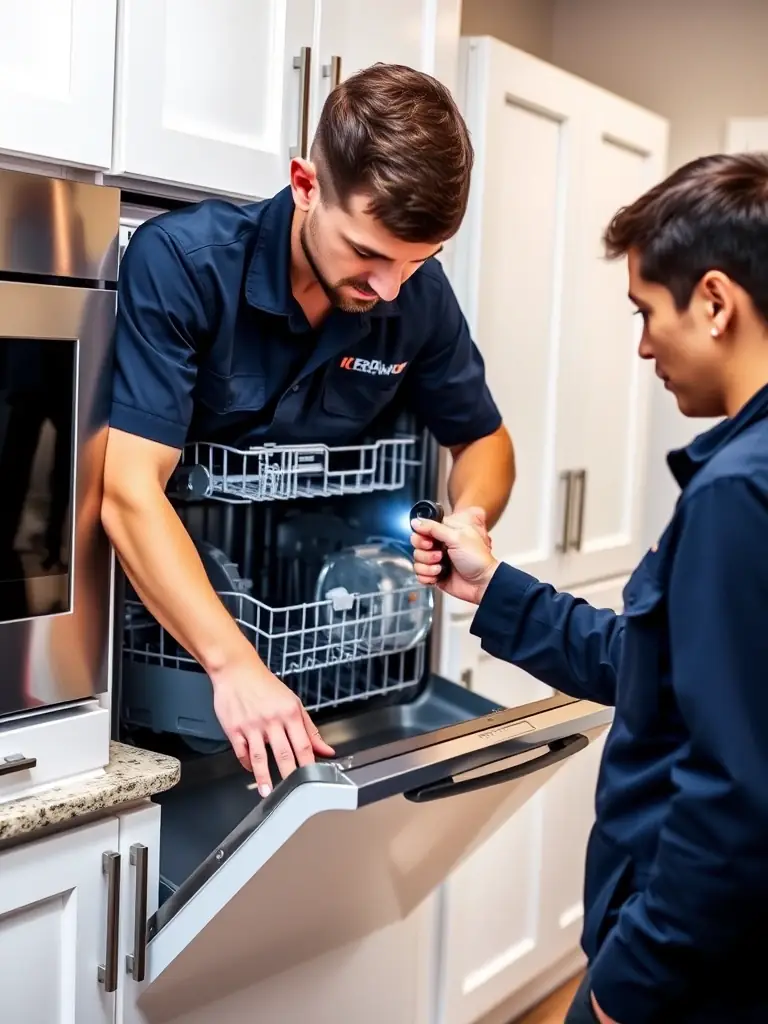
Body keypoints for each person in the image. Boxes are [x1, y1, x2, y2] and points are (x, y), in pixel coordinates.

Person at [411, 152, 768, 1024]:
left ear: (715, 302)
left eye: (649, 311)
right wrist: (494, 588)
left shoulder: (738, 494)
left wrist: (624, 984)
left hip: (690, 978)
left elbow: (736, 791)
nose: (645, 345)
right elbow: (651, 663)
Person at [102, 63, 515, 795]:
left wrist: (471, 518)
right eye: (368, 253)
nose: (390, 288)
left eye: (419, 261)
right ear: (305, 185)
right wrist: (233, 666)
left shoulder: (418, 297)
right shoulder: (184, 265)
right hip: (167, 645)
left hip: (320, 656)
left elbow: (483, 439)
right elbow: (130, 490)